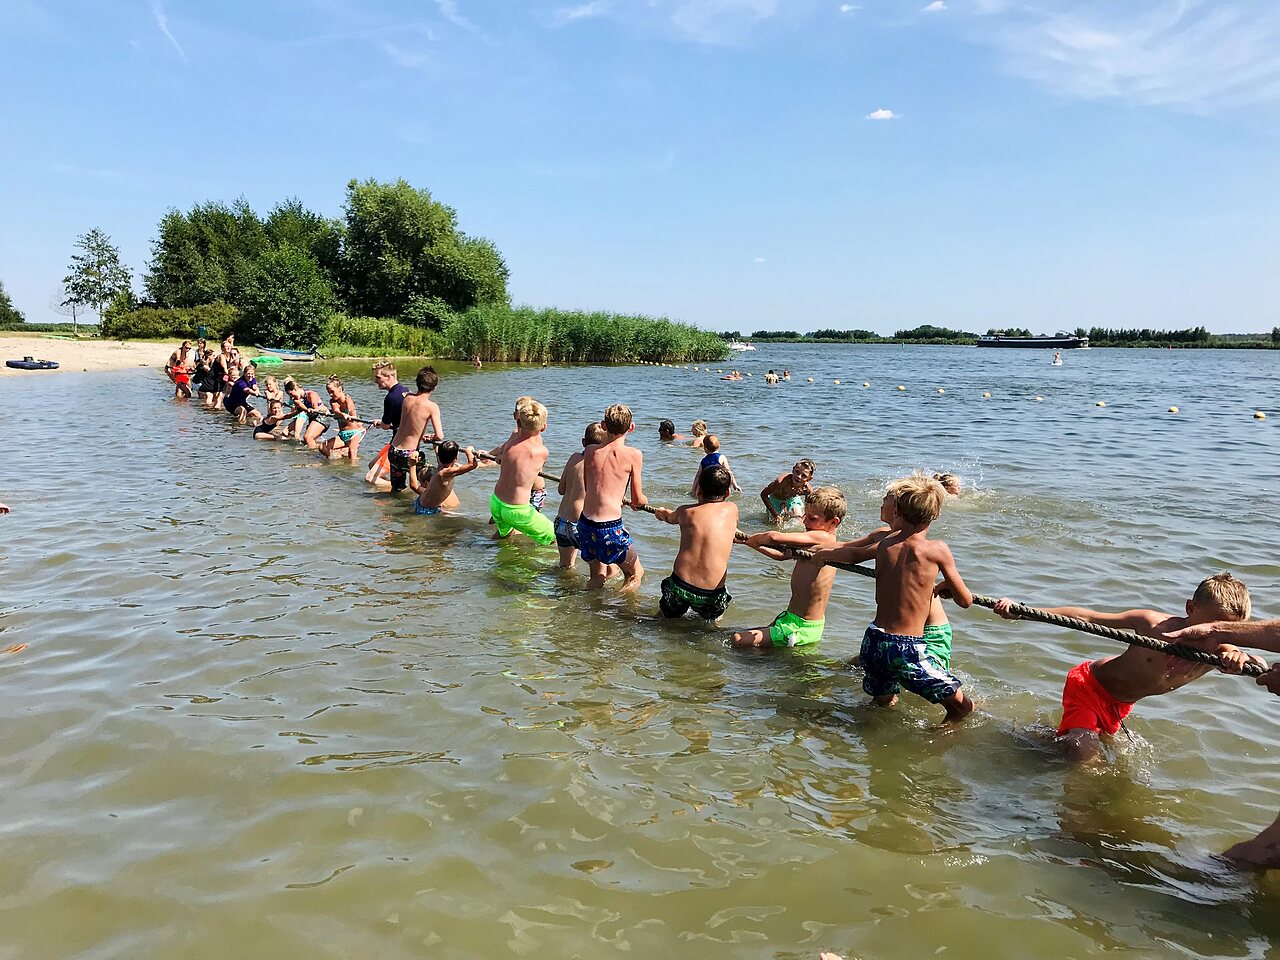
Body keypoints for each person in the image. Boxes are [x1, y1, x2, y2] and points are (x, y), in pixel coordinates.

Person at [993, 573, 1261, 763]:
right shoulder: (1154, 625)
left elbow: (1254, 663)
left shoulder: (1220, 651)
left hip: (1121, 703)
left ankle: (1029, 738)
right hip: (1090, 685)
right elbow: (1087, 617)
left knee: (1079, 748)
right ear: (1191, 608)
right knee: (1084, 758)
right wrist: (1024, 611)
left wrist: (1243, 658)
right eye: (1210, 628)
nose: (1213, 637)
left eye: (1226, 632)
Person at [859, 473, 975, 723]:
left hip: (873, 641)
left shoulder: (885, 544)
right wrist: (944, 586)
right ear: (937, 514)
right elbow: (965, 600)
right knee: (964, 708)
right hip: (906, 648)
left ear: (897, 510)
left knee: (884, 704)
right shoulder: (937, 549)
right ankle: (934, 743)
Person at [732, 487, 847, 648]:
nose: (805, 521)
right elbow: (780, 555)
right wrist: (746, 541)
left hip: (801, 626)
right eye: (805, 516)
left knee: (738, 640)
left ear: (833, 522)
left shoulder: (824, 537)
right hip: (791, 617)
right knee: (757, 647)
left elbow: (774, 537)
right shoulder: (814, 541)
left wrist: (754, 538)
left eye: (812, 518)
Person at [653, 465, 739, 622]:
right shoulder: (732, 510)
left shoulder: (685, 512)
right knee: (711, 624)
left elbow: (669, 517)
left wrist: (661, 512)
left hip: (680, 585)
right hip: (711, 592)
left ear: (698, 489)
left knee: (665, 619)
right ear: (727, 492)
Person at [579, 403, 647, 591]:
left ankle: (589, 611)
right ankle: (624, 615)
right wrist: (643, 501)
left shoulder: (591, 450)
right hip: (609, 528)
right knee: (635, 574)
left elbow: (589, 486)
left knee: (596, 576)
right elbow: (637, 500)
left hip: (585, 524)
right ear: (631, 427)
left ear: (603, 425)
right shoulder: (634, 455)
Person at [479, 397, 556, 545]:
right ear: (544, 427)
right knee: (557, 537)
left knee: (503, 536)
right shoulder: (541, 452)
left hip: (496, 503)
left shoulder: (512, 439)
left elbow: (509, 453)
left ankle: (482, 550)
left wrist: (499, 458)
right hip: (517, 510)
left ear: (519, 422)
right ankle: (558, 568)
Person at [555, 422, 607, 570]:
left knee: (565, 568)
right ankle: (597, 593)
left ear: (584, 442)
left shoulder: (574, 458)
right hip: (580, 526)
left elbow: (561, 489)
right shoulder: (600, 467)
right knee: (604, 571)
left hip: (561, 523)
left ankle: (562, 591)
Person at [387, 366, 444, 493]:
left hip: (394, 450)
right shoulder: (432, 407)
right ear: (435, 387)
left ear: (417, 383)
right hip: (410, 453)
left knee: (397, 490)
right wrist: (432, 437)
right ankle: (429, 504)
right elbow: (439, 436)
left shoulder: (407, 398)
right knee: (431, 479)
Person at [364, 361, 411, 486]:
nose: (375, 381)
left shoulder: (391, 397)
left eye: (378, 377)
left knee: (370, 478)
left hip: (400, 445)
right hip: (403, 440)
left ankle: (404, 490)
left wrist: (380, 423)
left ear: (389, 377)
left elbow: (385, 426)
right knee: (372, 465)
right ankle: (393, 489)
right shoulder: (406, 391)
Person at [414, 441, 479, 515]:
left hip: (420, 503)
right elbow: (472, 465)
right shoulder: (446, 473)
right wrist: (469, 451)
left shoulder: (440, 466)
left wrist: (435, 445)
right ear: (456, 458)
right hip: (428, 510)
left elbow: (438, 451)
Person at [318, 375, 364, 463]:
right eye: (329, 392)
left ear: (339, 389)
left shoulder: (348, 400)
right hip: (342, 434)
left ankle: (353, 471)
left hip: (354, 433)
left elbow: (351, 412)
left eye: (332, 391)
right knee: (322, 448)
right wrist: (340, 414)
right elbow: (336, 410)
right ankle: (336, 461)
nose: (331, 394)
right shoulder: (333, 401)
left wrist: (351, 418)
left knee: (352, 453)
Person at [284, 378, 328, 446]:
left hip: (323, 417)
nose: (292, 397)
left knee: (307, 437)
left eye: (291, 394)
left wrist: (311, 410)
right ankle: (319, 451)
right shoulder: (296, 401)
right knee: (307, 442)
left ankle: (314, 455)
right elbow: (301, 410)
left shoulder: (311, 394)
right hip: (313, 419)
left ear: (296, 389)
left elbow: (316, 409)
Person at [252, 375, 287, 440]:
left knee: (277, 432)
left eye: (270, 384)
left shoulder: (280, 392)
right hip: (270, 414)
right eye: (267, 385)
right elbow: (269, 397)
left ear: (275, 383)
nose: (268, 386)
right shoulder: (267, 391)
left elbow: (275, 400)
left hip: (279, 416)